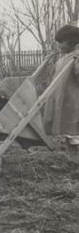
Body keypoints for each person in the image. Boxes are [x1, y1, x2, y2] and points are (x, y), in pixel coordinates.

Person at [43, 24, 79, 164]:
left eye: (61, 42)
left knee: (75, 136)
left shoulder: (76, 57)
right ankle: (74, 163)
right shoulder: (65, 57)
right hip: (65, 103)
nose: (58, 45)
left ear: (72, 41)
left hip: (75, 103)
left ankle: (76, 164)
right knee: (70, 135)